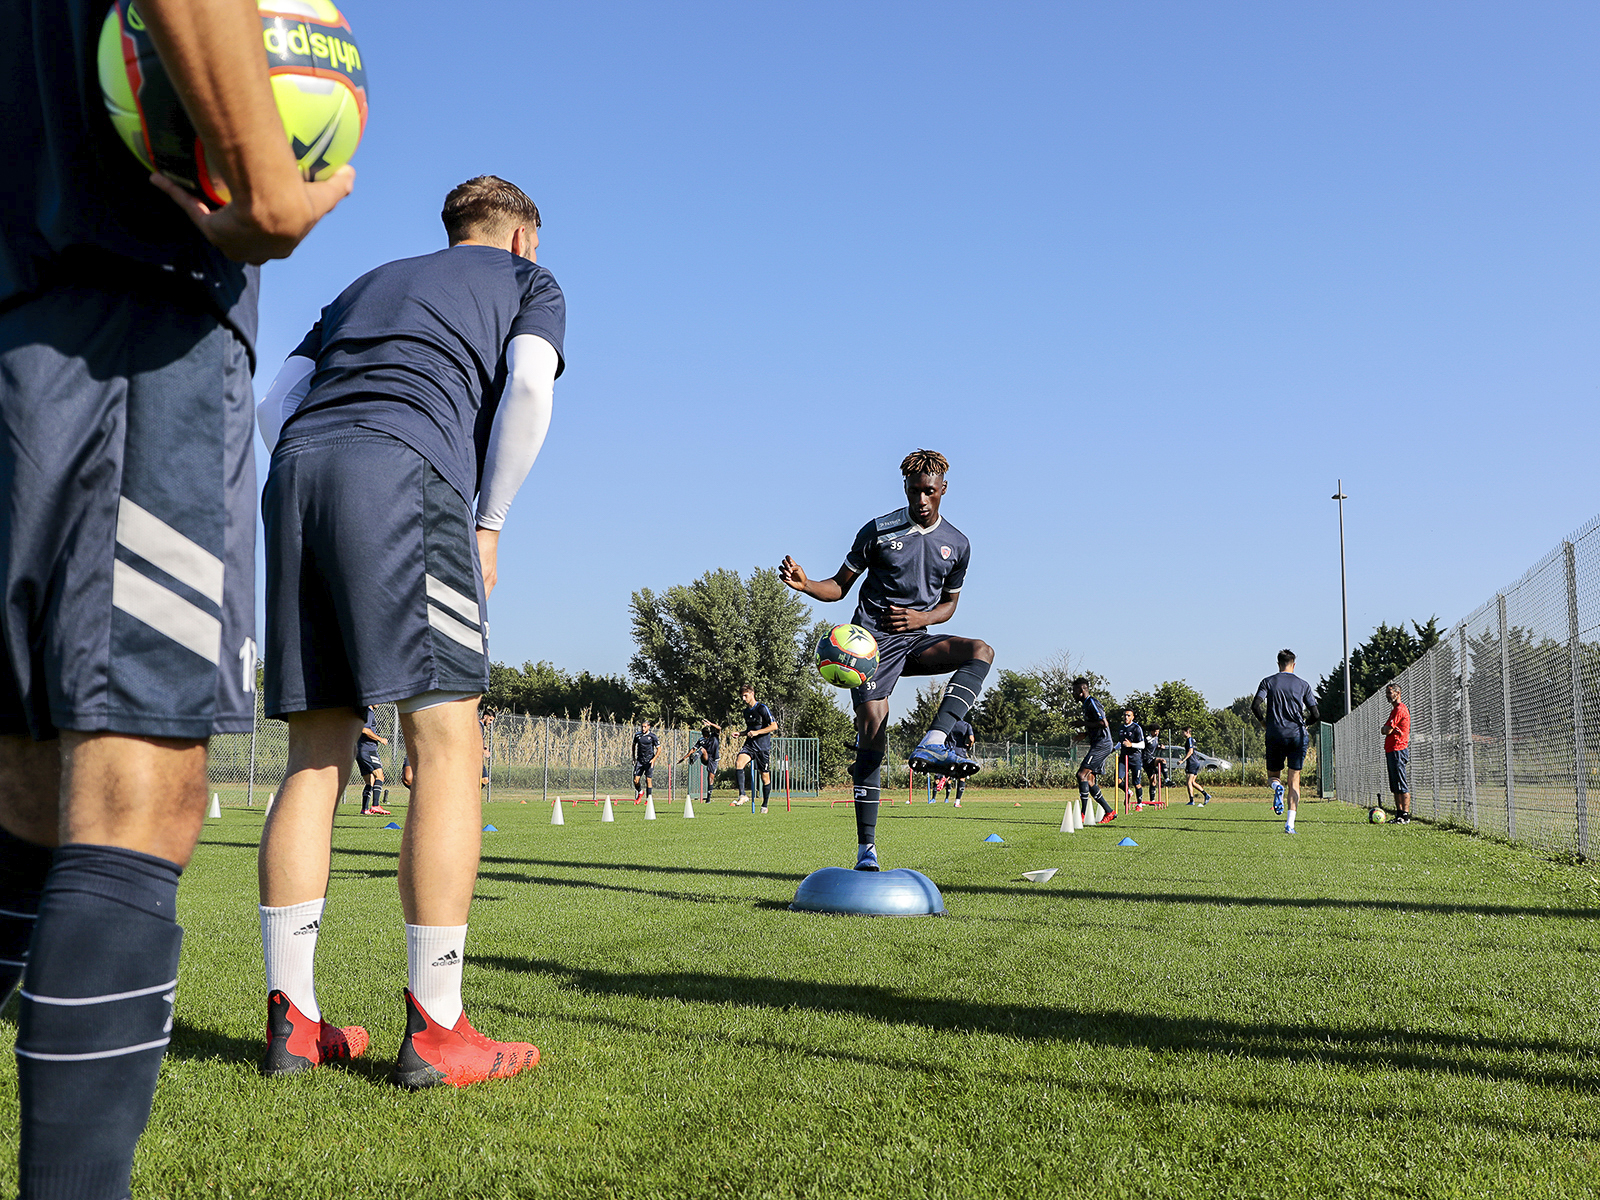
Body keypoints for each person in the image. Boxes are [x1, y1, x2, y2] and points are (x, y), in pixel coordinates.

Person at [0, 1, 352, 1193]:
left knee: (22, 778)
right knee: (133, 782)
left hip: (23, 282)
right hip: (123, 296)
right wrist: (261, 173)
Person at [254, 175, 564, 1088]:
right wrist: (490, 519)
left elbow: (279, 401)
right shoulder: (528, 283)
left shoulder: (366, 283)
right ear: (521, 239)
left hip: (300, 471)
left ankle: (295, 1024)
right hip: (404, 473)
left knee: (315, 750)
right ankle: (438, 1030)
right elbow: (532, 389)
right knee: (446, 736)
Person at [780, 449, 994, 870]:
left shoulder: (959, 544)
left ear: (943, 490)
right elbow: (839, 588)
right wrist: (807, 586)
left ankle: (935, 741)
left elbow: (948, 606)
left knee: (980, 651)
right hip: (871, 649)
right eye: (915, 491)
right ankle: (867, 849)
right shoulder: (877, 532)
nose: (921, 499)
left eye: (929, 491)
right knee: (873, 732)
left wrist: (922, 618)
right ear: (905, 488)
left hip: (915, 639)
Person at [1252, 649, 1321, 834]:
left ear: (1278, 664)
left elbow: (1255, 705)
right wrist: (1304, 724)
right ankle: (1290, 824)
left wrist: (1264, 723)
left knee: (1272, 777)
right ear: (1294, 664)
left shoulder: (1268, 681)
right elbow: (1315, 714)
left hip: (1275, 734)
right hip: (1297, 735)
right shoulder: (1303, 684)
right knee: (1295, 781)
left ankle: (1277, 787)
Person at [1073, 679, 1117, 824]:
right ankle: (1110, 812)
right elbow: (1095, 726)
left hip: (1102, 744)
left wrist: (1083, 723)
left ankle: (1082, 815)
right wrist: (1085, 734)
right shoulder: (1085, 705)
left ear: (1082, 690)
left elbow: (1104, 723)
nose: (1073, 694)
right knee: (1090, 780)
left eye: (1075, 691)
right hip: (1098, 743)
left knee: (1081, 774)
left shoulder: (1092, 702)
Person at [733, 687, 778, 812]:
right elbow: (750, 730)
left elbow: (774, 726)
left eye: (745, 695)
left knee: (765, 777)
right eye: (742, 696)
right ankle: (742, 795)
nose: (743, 698)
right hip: (750, 745)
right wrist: (741, 734)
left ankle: (764, 805)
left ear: (752, 694)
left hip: (762, 748)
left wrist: (757, 732)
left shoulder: (762, 708)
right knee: (739, 762)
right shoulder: (746, 712)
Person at [1381, 682, 1411, 824]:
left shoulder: (1400, 709)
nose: (1388, 695)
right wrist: (1385, 729)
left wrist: (1386, 729)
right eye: (1387, 693)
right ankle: (1398, 814)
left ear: (1398, 693)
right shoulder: (1393, 710)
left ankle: (1405, 815)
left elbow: (1387, 729)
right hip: (1391, 750)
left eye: (1390, 692)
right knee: (1394, 785)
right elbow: (1386, 729)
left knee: (1401, 783)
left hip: (1398, 749)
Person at [357, 707, 391, 815]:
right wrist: (380, 739)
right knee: (379, 776)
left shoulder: (362, 711)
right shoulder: (368, 712)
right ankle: (376, 805)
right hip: (368, 749)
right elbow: (365, 729)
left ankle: (365, 809)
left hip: (359, 750)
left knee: (369, 781)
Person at [678, 722, 720, 802]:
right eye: (704, 733)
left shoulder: (714, 736)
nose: (705, 734)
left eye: (706, 732)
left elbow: (719, 728)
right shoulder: (701, 740)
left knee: (710, 778)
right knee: (702, 749)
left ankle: (708, 798)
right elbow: (693, 749)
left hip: (714, 760)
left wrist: (710, 723)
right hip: (705, 758)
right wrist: (684, 758)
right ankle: (694, 758)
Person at [1116, 709, 1146, 808]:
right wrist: (1113, 749)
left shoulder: (1137, 728)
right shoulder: (1121, 728)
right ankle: (1128, 792)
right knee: (1118, 779)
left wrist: (1131, 745)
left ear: (1132, 717)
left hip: (1135, 759)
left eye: (1128, 715)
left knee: (1136, 783)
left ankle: (1139, 804)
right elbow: (1120, 743)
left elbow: (1142, 745)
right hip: (1123, 758)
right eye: (1125, 715)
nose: (1126, 717)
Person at [945, 717, 975, 804]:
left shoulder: (948, 723)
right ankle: (957, 801)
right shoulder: (966, 725)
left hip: (949, 752)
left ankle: (945, 777)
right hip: (960, 753)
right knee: (962, 777)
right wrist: (969, 746)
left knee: (947, 772)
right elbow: (971, 739)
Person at [1181, 727, 1212, 805]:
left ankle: (1191, 801)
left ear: (1187, 732)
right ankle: (1206, 795)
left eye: (1183, 732)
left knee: (1188, 782)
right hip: (1196, 762)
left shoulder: (1189, 740)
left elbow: (1190, 751)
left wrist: (1183, 760)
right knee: (1192, 782)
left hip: (1192, 762)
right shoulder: (1193, 740)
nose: (1182, 734)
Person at [632, 719, 660, 802]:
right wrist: (633, 757)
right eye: (642, 727)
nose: (643, 728)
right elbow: (633, 746)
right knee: (635, 780)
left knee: (648, 779)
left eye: (645, 727)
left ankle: (649, 799)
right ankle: (640, 792)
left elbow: (659, 749)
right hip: (640, 761)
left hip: (649, 761)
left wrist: (654, 759)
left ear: (649, 727)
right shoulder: (637, 735)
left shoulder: (653, 736)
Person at [1142, 725, 1165, 807]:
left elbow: (1154, 748)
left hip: (1151, 759)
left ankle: (1152, 800)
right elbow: (1142, 747)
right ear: (1151, 731)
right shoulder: (1147, 739)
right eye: (1155, 731)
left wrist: (1160, 747)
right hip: (1146, 760)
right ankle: (1167, 779)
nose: (1157, 733)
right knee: (1162, 760)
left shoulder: (1156, 738)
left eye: (1158, 731)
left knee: (1153, 781)